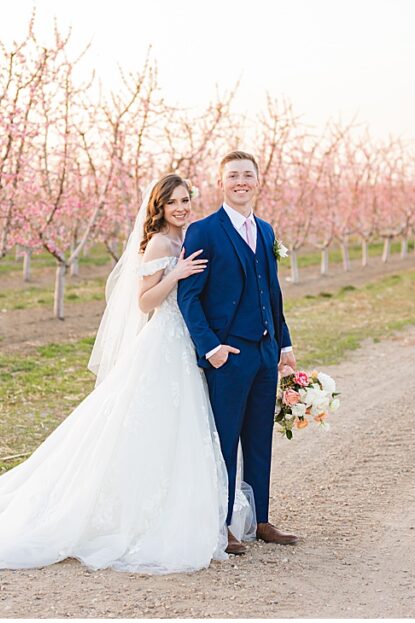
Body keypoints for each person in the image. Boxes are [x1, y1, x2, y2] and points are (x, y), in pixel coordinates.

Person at [0, 174, 254, 573]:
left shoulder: (190, 237)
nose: (182, 208)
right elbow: (145, 301)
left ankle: (188, 506)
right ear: (160, 208)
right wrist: (175, 274)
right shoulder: (160, 244)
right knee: (146, 425)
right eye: (173, 203)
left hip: (187, 344)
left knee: (183, 428)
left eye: (186, 200)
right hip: (163, 344)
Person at [178, 150, 299, 554]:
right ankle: (224, 524)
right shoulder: (203, 231)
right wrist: (211, 348)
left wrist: (284, 342)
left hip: (265, 353)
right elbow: (189, 297)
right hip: (227, 356)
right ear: (221, 182)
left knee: (259, 440)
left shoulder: (265, 230)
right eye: (233, 175)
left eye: (247, 174)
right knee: (225, 441)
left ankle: (260, 521)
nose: (241, 181)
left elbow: (272, 292)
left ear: (258, 180)